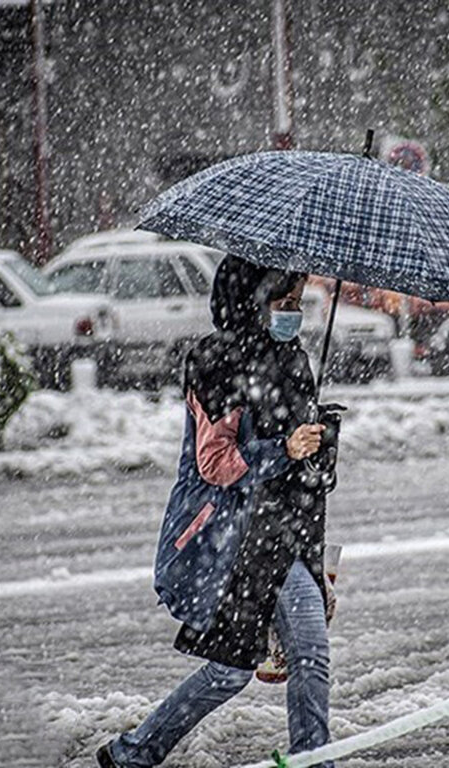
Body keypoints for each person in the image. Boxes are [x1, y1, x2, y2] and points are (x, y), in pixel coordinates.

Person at [96, 255, 340, 768]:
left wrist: (319, 449)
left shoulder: (293, 359)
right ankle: (134, 753)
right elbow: (215, 464)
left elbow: (303, 477)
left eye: (297, 303)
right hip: (234, 540)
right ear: (250, 302)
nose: (291, 314)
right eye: (283, 302)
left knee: (310, 653)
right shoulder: (217, 363)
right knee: (229, 671)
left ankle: (313, 760)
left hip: (284, 532)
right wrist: (283, 450)